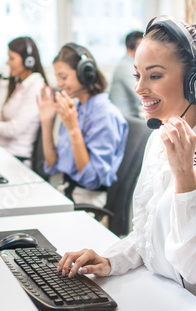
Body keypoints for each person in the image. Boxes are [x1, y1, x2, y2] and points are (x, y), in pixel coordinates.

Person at [56, 17, 196, 311]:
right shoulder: (159, 137)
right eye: (138, 75)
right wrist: (111, 260)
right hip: (164, 299)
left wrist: (184, 176)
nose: (139, 88)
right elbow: (146, 233)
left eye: (154, 75)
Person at [38, 43, 128, 208]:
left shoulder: (105, 114)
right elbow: (52, 165)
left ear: (85, 73)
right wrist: (46, 122)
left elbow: (91, 180)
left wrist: (73, 130)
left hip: (88, 202)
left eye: (63, 77)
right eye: (57, 77)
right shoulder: (76, 108)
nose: (59, 84)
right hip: (68, 194)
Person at [0, 37, 48, 161]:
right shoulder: (19, 84)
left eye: (12, 58)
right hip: (3, 151)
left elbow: (13, 130)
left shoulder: (36, 87)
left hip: (16, 157)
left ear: (28, 61)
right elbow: (1, 119)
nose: (7, 63)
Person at [109, 30, 144, 117]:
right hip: (126, 118)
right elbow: (141, 95)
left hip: (131, 116)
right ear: (132, 45)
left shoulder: (129, 63)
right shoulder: (126, 66)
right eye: (143, 45)